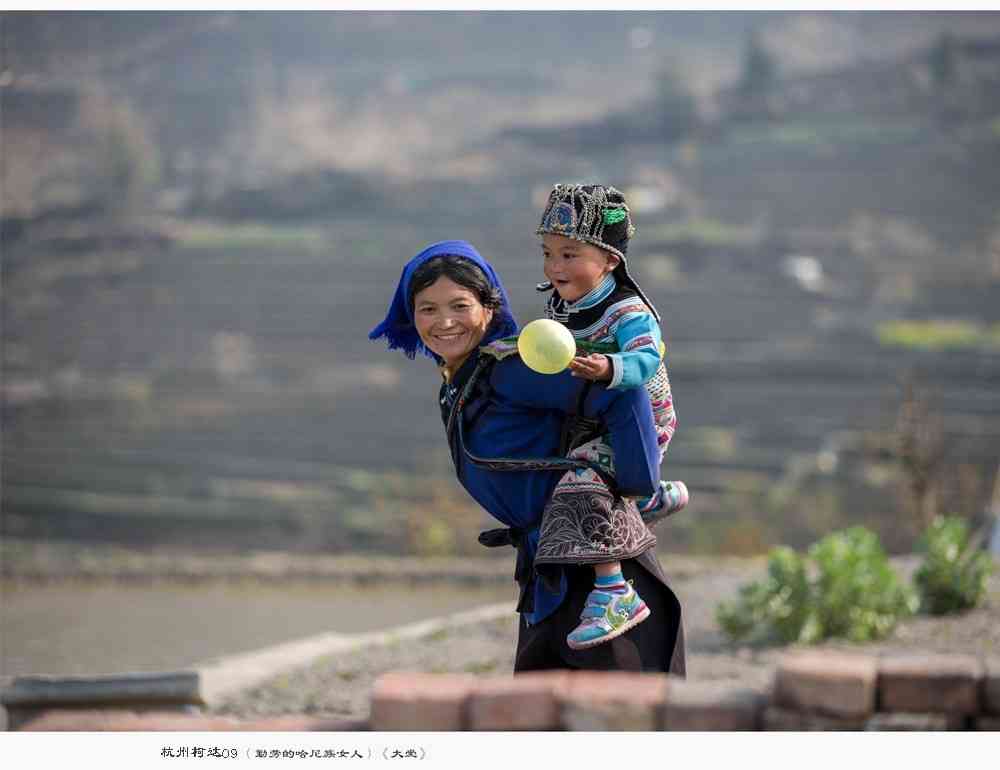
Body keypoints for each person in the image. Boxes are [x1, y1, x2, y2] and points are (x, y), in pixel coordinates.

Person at [370, 239, 685, 675]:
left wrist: (636, 487)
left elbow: (624, 392)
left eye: (459, 305)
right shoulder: (467, 380)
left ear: (488, 308)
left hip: (601, 581)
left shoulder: (516, 368)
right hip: (550, 577)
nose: (444, 321)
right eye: (427, 309)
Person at [533, 183, 690, 650]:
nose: (555, 267)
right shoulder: (563, 306)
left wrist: (609, 367)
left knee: (580, 478)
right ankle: (648, 500)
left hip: (639, 424)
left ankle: (614, 591)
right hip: (593, 416)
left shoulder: (628, 311)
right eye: (548, 254)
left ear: (609, 261)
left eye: (569, 254)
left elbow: (646, 359)